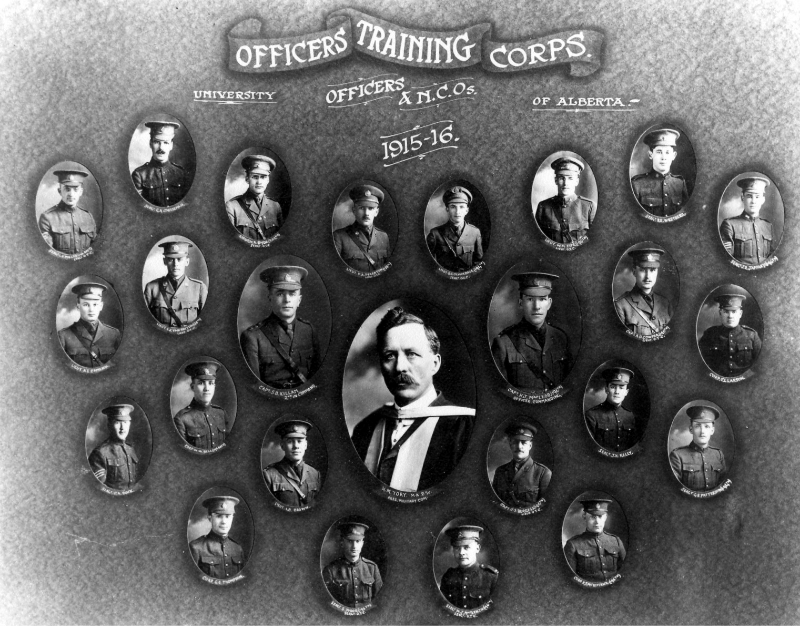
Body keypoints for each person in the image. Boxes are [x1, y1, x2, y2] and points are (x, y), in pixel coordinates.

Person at [350, 307, 475, 492]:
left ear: (435, 363)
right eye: (389, 356)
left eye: (412, 354)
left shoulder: (464, 427)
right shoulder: (365, 430)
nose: (400, 367)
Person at [240, 265, 320, 388]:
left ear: (299, 300)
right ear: (270, 298)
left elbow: (317, 381)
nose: (287, 300)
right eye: (280, 294)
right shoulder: (253, 337)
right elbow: (255, 388)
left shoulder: (309, 331)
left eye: (292, 294)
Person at [491, 272, 572, 391]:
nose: (536, 306)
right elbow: (498, 392)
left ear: (549, 303)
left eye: (542, 299)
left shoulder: (561, 338)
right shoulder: (503, 343)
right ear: (520, 303)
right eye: (530, 299)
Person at [143, 240, 207, 327]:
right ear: (165, 261)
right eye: (170, 259)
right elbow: (145, 321)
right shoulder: (152, 288)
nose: (175, 264)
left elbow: (205, 322)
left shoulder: (199, 288)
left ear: (187, 261)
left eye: (179, 259)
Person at [58, 281, 121, 368]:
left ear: (101, 306)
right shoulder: (64, 336)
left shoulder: (114, 334)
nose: (91, 309)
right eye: (86, 305)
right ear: (78, 306)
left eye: (95, 304)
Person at [698, 292, 762, 377]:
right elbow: (700, 365)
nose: (730, 316)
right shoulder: (709, 335)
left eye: (734, 311)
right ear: (720, 313)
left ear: (740, 314)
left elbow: (760, 366)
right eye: (726, 311)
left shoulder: (752, 335)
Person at [564, 498, 626, 582]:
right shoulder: (573, 545)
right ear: (584, 516)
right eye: (593, 517)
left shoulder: (616, 541)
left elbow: (626, 573)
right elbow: (570, 580)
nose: (597, 522)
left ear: (606, 517)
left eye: (600, 516)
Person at [535, 156, 595, 243]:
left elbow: (593, 241)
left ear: (576, 181)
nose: (566, 183)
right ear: (556, 180)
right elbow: (538, 240)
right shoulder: (543, 207)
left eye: (570, 178)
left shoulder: (588, 207)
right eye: (561, 178)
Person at [614, 247, 672, 337]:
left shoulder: (665, 304)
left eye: (652, 270)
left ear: (657, 272)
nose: (648, 276)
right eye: (642, 270)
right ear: (634, 272)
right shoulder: (621, 305)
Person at [322, 522, 383, 607]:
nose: (354, 546)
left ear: (362, 543)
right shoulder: (331, 570)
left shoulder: (372, 568)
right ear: (342, 542)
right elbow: (327, 603)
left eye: (358, 541)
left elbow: (380, 601)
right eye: (350, 541)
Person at [631, 128, 689, 216]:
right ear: (650, 155)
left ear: (673, 156)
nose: (663, 157)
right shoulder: (637, 184)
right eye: (659, 152)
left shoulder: (680, 183)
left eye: (667, 152)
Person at [491, 422, 551, 507]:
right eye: (515, 442)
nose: (519, 447)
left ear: (530, 445)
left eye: (524, 442)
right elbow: (494, 503)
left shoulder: (543, 473)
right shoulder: (500, 471)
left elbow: (545, 508)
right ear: (510, 444)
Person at [263, 420, 321, 507]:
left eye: (300, 441)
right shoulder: (269, 475)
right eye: (290, 441)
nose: (296, 446)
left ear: (305, 445)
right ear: (282, 445)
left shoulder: (315, 474)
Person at [173, 362, 231, 450]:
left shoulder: (221, 414)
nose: (207, 389)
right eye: (201, 383)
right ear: (193, 387)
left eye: (211, 383)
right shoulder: (182, 419)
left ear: (214, 386)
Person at [38, 168, 97, 254]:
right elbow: (47, 253)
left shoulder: (88, 217)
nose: (71, 194)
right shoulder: (47, 218)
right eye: (67, 189)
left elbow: (95, 250)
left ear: (81, 192)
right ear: (60, 191)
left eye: (75, 189)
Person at [332, 185, 390, 272]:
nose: (366, 213)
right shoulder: (339, 237)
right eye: (362, 208)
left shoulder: (383, 237)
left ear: (376, 212)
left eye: (371, 208)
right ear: (354, 210)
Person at [131, 120, 190, 207]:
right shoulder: (139, 175)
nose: (161, 148)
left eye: (166, 143)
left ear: (171, 145)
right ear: (150, 144)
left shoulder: (181, 173)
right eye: (156, 142)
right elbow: (137, 207)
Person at [225, 154, 283, 241]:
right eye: (255, 177)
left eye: (263, 177)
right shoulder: (232, 207)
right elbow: (230, 241)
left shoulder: (275, 206)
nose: (259, 182)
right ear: (247, 178)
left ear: (268, 180)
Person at [439, 525, 498, 609]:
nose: (461, 552)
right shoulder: (448, 576)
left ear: (477, 548)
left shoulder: (491, 576)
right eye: (457, 548)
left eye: (466, 547)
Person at [669, 405, 727, 491]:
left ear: (712, 430)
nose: (702, 431)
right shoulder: (677, 456)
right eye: (697, 426)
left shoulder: (718, 454)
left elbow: (723, 486)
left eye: (706, 426)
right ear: (691, 429)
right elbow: (674, 489)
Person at [426, 186, 483, 271]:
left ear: (467, 210)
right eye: (453, 207)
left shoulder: (475, 232)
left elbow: (478, 263)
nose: (457, 212)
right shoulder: (435, 234)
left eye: (461, 207)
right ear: (447, 209)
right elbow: (428, 264)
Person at [720, 176, 773, 265]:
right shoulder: (729, 224)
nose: (753, 201)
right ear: (742, 198)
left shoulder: (767, 226)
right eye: (749, 196)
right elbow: (726, 261)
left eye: (757, 196)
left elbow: (771, 259)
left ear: (763, 200)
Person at [189, 496, 245, 579]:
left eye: (227, 516)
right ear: (210, 518)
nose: (224, 522)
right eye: (218, 516)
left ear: (232, 518)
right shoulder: (196, 547)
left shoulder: (237, 548)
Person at [584, 367, 639, 452]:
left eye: (621, 388)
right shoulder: (592, 415)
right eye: (613, 387)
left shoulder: (629, 416)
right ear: (606, 389)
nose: (617, 392)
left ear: (626, 392)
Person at [88, 404, 139, 490]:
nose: (122, 428)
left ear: (129, 425)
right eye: (118, 423)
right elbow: (98, 488)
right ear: (109, 425)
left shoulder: (131, 449)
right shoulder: (100, 453)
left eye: (125, 422)